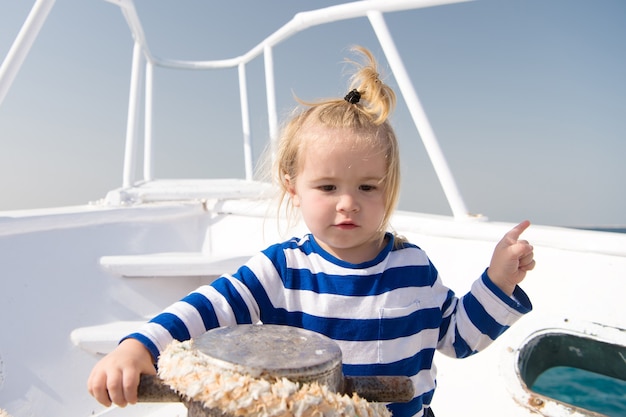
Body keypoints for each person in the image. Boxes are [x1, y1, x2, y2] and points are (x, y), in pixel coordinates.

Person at [87, 46, 535, 417]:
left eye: (367, 187)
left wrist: (498, 280)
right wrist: (138, 347)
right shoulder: (283, 269)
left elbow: (457, 339)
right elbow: (207, 308)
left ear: (389, 189)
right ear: (293, 188)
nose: (348, 202)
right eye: (327, 187)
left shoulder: (414, 268)